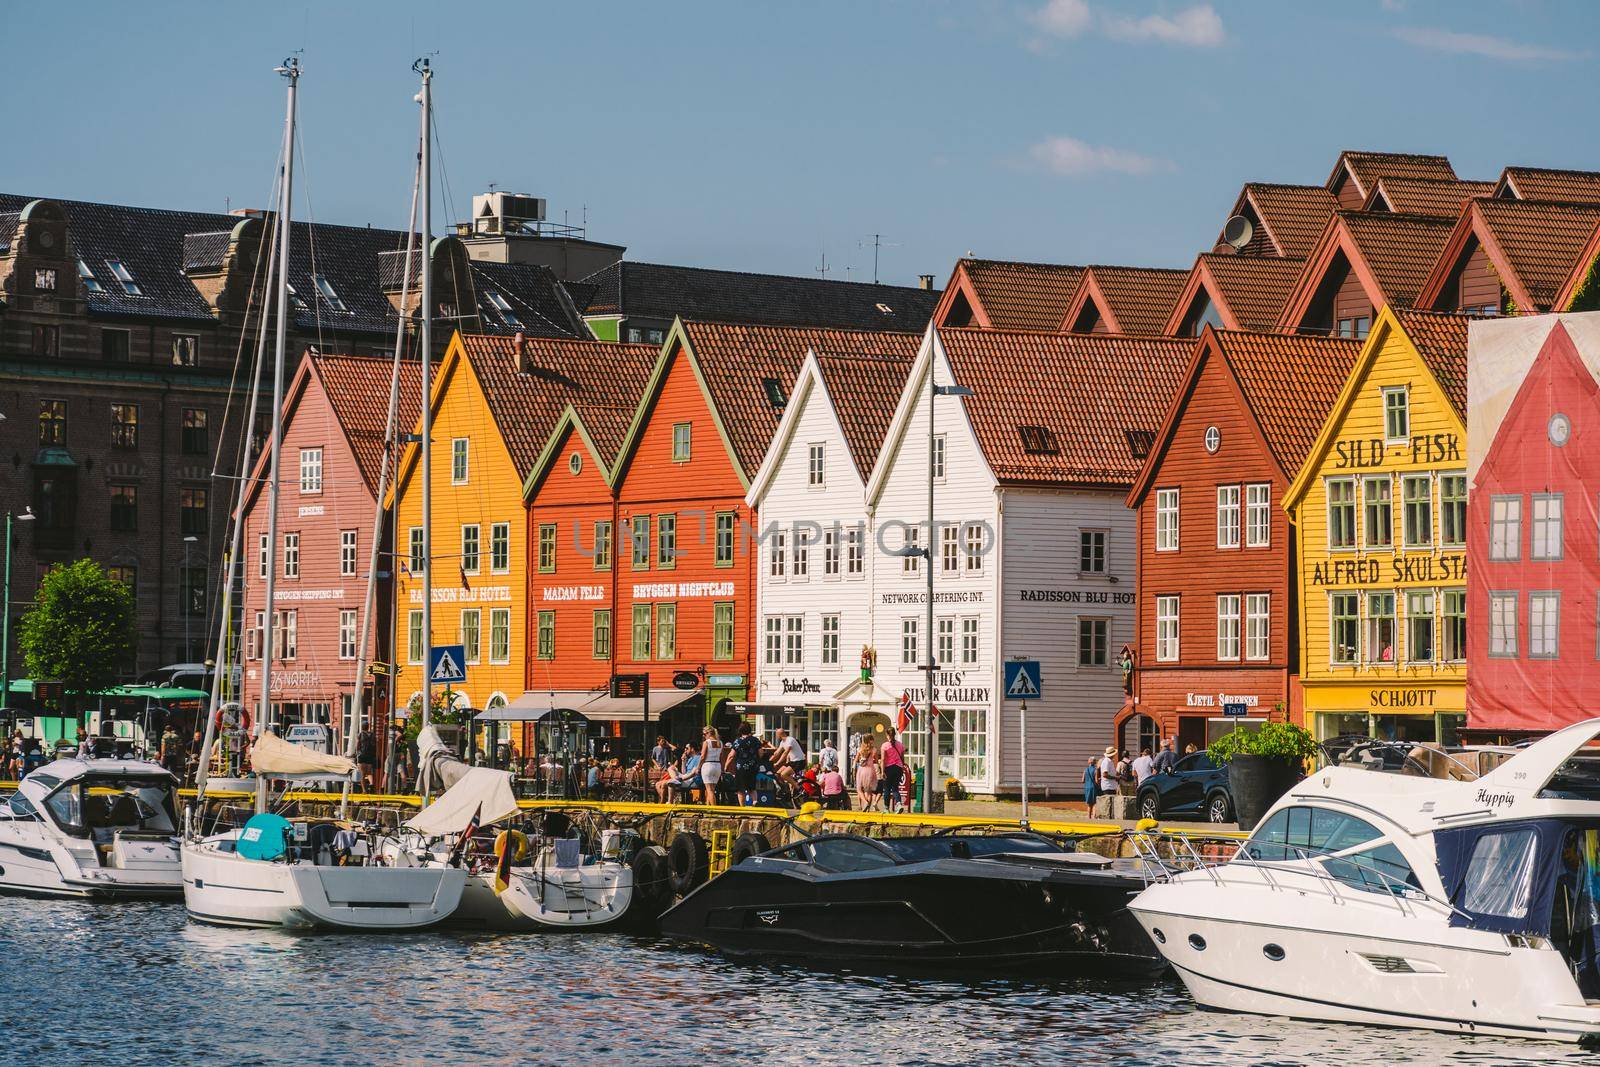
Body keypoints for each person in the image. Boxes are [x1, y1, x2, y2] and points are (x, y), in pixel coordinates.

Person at [729, 722, 764, 806]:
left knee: (740, 789)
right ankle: (755, 801)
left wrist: (726, 765)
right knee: (752, 787)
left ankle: (742, 806)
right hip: (752, 766)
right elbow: (761, 753)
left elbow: (731, 755)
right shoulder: (755, 740)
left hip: (740, 767)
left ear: (740, 730)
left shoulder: (738, 741)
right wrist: (756, 759)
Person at [879, 727, 907, 813]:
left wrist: (882, 771)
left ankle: (886, 808)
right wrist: (902, 768)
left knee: (887, 789)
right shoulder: (900, 745)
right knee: (895, 788)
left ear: (887, 735)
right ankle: (898, 804)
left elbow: (883, 759)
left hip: (888, 768)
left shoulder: (885, 745)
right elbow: (902, 758)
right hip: (898, 768)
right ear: (894, 734)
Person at [699, 726, 724, 805]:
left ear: (708, 733)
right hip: (717, 765)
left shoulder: (706, 742)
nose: (704, 736)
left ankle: (713, 809)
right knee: (712, 790)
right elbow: (721, 757)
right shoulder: (720, 742)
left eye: (704, 734)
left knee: (709, 790)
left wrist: (698, 767)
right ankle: (708, 807)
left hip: (708, 765)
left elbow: (703, 756)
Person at [854, 736, 880, 812]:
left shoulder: (860, 749)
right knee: (868, 791)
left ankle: (865, 802)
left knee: (859, 789)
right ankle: (868, 810)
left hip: (861, 770)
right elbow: (877, 761)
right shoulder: (874, 750)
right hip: (870, 770)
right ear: (870, 740)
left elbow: (856, 760)